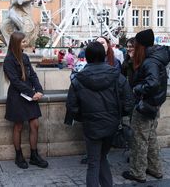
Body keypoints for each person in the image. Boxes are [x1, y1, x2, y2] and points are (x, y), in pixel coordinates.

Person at [66, 41, 133, 187]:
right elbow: (129, 103)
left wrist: (84, 117)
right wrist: (118, 115)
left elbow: (72, 106)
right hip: (111, 125)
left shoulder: (78, 79)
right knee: (102, 158)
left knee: (94, 162)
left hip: (91, 126)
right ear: (103, 56)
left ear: (87, 57)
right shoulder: (117, 76)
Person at [122, 29, 170, 183]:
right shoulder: (156, 58)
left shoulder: (149, 61)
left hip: (145, 105)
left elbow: (153, 83)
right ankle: (155, 169)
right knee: (150, 138)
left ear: (141, 45)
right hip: (154, 104)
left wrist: (137, 89)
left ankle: (138, 172)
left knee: (139, 139)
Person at [3, 31, 48, 169]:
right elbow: (15, 81)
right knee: (18, 126)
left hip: (29, 96)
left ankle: (34, 155)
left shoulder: (25, 57)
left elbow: (33, 75)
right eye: (23, 41)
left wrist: (39, 90)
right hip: (17, 97)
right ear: (16, 43)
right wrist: (31, 92)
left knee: (35, 124)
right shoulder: (9, 60)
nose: (26, 43)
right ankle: (19, 156)